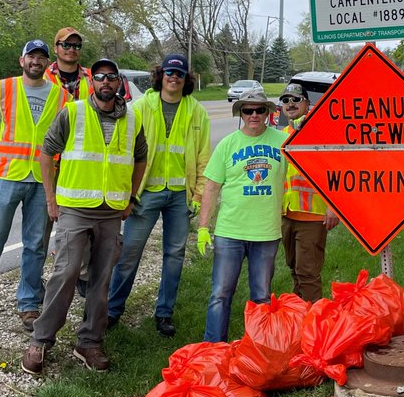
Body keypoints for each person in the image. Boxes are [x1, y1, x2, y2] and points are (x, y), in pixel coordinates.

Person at [22, 58, 147, 375]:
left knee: (101, 280)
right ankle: (40, 340)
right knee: (65, 273)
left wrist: (131, 197)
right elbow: (47, 153)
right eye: (100, 77)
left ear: (119, 83)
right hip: (75, 210)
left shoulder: (132, 119)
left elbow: (141, 158)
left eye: (111, 77)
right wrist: (50, 198)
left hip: (111, 212)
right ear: (92, 83)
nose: (106, 82)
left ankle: (89, 342)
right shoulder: (73, 112)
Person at [0, 39, 69, 330]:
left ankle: (28, 304)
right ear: (22, 61)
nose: (36, 61)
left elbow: (63, 140)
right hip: (8, 177)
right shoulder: (3, 89)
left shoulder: (61, 97)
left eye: (41, 57)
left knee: (35, 245)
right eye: (31, 56)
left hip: (43, 180)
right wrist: (4, 163)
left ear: (47, 63)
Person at [106, 53, 211, 336]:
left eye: (179, 74)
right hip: (145, 193)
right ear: (160, 75)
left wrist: (198, 196)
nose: (174, 77)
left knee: (174, 255)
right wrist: (126, 193)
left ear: (186, 79)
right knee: (129, 254)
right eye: (169, 72)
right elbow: (123, 150)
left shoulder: (197, 112)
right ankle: (112, 310)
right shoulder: (141, 107)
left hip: (180, 196)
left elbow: (203, 157)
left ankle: (164, 313)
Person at [198, 85, 287, 342]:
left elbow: (310, 165)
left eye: (259, 110)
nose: (254, 115)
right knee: (220, 294)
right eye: (248, 111)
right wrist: (203, 227)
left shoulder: (283, 143)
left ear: (268, 112)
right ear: (241, 113)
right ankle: (214, 348)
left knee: (261, 296)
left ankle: (258, 349)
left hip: (266, 232)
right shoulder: (228, 144)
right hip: (230, 232)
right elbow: (211, 187)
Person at [279, 82, 339, 301]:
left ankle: (315, 317)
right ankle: (300, 314)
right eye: (286, 100)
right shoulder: (283, 135)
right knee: (295, 270)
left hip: (313, 216)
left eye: (296, 99)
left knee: (307, 273)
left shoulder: (319, 132)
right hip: (287, 214)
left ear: (307, 104)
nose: (291, 104)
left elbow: (336, 170)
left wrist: (334, 207)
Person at [45, 27, 91, 98]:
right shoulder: (44, 77)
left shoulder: (92, 77)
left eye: (76, 46)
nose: (71, 50)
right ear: (55, 48)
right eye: (66, 45)